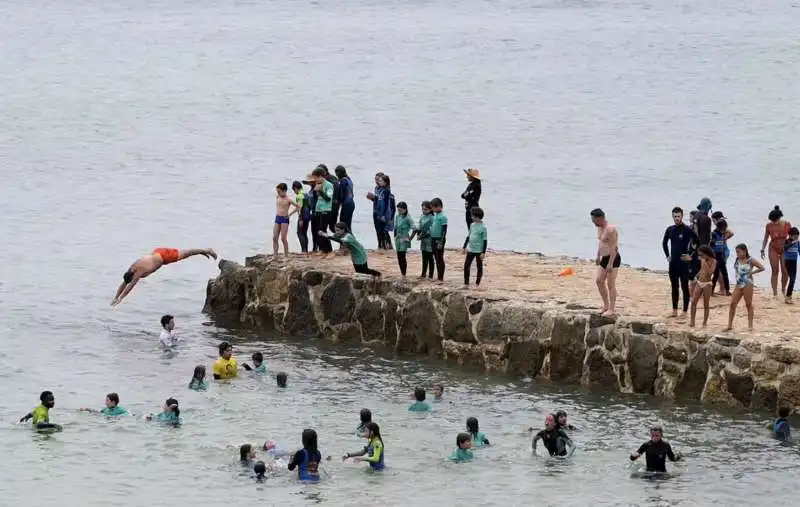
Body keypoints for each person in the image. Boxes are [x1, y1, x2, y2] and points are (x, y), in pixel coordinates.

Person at [111, 248, 217, 306]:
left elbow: (129, 287)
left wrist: (120, 299)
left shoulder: (137, 271)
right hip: (158, 253)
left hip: (163, 256)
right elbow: (124, 284)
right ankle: (203, 251)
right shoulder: (131, 269)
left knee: (186, 254)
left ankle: (206, 250)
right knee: (185, 253)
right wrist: (116, 297)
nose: (133, 280)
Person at [662, 207, 696, 318]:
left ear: (682, 216)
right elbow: (664, 242)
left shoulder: (687, 229)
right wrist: (667, 256)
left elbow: (698, 241)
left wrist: (691, 255)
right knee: (674, 287)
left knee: (684, 287)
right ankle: (674, 310)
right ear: (672, 216)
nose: (676, 218)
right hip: (673, 263)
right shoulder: (670, 229)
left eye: (678, 216)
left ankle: (685, 312)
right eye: (675, 216)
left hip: (683, 263)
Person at [725, 244, 765, 331]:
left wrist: (752, 273)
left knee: (748, 304)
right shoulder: (737, 260)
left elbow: (762, 268)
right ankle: (729, 325)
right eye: (736, 252)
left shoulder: (750, 260)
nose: (737, 254)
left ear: (745, 251)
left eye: (739, 252)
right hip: (738, 284)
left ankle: (750, 325)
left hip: (748, 284)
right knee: (732, 303)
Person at [590, 208, 620, 316]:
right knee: (599, 280)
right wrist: (598, 256)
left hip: (613, 258)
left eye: (594, 220)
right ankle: (605, 305)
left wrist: (610, 263)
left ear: (600, 218)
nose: (593, 222)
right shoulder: (599, 228)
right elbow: (601, 243)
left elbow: (614, 248)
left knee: (610, 284)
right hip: (604, 258)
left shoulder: (610, 230)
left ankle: (611, 308)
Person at [761, 206, 792, 297]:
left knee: (785, 271)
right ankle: (775, 293)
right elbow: (766, 238)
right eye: (772, 221)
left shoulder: (787, 224)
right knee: (775, 271)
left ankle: (783, 289)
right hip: (773, 248)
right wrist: (762, 249)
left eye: (774, 220)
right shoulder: (769, 225)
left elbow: (792, 237)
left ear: (779, 218)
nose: (773, 222)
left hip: (785, 249)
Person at [689, 245, 717, 328]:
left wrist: (705, 262)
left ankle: (704, 322)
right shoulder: (702, 260)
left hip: (707, 284)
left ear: (706, 253)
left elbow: (710, 272)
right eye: (700, 255)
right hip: (699, 282)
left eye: (701, 255)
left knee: (706, 304)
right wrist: (695, 276)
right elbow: (702, 270)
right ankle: (692, 321)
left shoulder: (713, 261)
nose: (700, 256)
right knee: (694, 301)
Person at [273, 183, 301, 259]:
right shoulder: (277, 197)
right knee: (275, 237)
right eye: (277, 191)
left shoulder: (288, 199)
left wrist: (289, 214)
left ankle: (286, 256)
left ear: (284, 190)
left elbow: (298, 207)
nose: (278, 193)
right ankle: (275, 255)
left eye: (279, 191)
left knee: (283, 238)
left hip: (284, 219)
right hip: (277, 218)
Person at [310, 168, 334, 257]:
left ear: (320, 176)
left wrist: (320, 191)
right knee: (317, 230)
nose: (315, 180)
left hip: (326, 210)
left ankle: (329, 250)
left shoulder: (329, 185)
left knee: (322, 230)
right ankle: (323, 249)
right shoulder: (319, 184)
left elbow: (328, 198)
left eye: (316, 178)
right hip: (318, 210)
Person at [462, 206, 487, 288]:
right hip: (471, 249)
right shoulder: (472, 225)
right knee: (466, 265)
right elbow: (468, 236)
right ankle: (466, 283)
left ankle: (477, 283)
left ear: (477, 217)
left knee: (479, 266)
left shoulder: (483, 227)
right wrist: (464, 246)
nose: (471, 217)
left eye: (472, 216)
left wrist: (483, 252)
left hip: (479, 250)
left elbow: (485, 241)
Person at [711, 218, 733, 296]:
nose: (724, 230)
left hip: (721, 255)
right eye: (724, 229)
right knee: (716, 274)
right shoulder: (714, 234)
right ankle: (711, 291)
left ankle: (727, 290)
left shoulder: (722, 234)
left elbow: (731, 234)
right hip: (715, 256)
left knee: (725, 273)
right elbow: (711, 246)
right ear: (720, 228)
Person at [317, 164, 340, 233]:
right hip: (336, 205)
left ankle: (345, 242)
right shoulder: (334, 178)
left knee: (323, 229)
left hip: (330, 206)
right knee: (332, 227)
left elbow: (328, 196)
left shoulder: (327, 181)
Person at [429, 198, 448, 282]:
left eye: (433, 207)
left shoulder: (443, 217)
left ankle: (441, 277)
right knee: (436, 258)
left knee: (439, 258)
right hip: (433, 238)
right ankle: (438, 276)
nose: (432, 209)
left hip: (439, 239)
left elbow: (444, 230)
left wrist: (441, 241)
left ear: (439, 207)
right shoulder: (435, 216)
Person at [394, 202, 414, 277]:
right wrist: (395, 236)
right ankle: (402, 273)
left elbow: (414, 229)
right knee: (399, 257)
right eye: (398, 210)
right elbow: (395, 227)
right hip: (398, 239)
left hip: (404, 238)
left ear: (405, 209)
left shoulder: (408, 218)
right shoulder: (397, 216)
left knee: (402, 256)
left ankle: (404, 274)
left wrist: (410, 238)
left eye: (401, 210)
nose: (399, 212)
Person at [366, 172, 386, 248]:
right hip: (375, 210)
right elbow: (376, 200)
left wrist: (375, 197)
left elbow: (384, 201)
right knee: (377, 229)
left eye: (378, 180)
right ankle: (380, 245)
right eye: (376, 179)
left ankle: (385, 246)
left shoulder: (385, 189)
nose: (377, 181)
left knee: (383, 230)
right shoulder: (376, 188)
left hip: (382, 212)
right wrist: (372, 198)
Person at [417, 201, 435, 279]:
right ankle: (423, 274)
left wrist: (424, 235)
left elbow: (432, 230)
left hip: (429, 239)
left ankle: (431, 275)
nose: (424, 211)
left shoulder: (432, 218)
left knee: (430, 257)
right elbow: (419, 226)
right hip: (423, 239)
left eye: (425, 209)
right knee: (424, 257)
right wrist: (418, 233)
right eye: (423, 209)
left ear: (430, 209)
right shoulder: (422, 216)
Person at [292, 181, 311, 254]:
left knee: (300, 233)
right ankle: (305, 250)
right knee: (304, 233)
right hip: (307, 216)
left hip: (302, 217)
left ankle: (303, 250)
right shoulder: (306, 194)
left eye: (294, 190)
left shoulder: (299, 196)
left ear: (296, 188)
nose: (294, 192)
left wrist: (300, 218)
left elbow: (299, 208)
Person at [334, 165, 355, 231]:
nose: (337, 176)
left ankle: (349, 239)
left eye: (337, 174)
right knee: (348, 224)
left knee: (343, 225)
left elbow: (341, 195)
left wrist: (337, 203)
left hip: (346, 204)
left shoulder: (343, 181)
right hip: (351, 203)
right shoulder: (349, 179)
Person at [784, 227, 799, 304]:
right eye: (795, 236)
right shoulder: (787, 241)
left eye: (797, 236)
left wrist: (796, 242)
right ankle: (787, 297)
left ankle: (789, 296)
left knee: (793, 280)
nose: (796, 238)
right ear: (790, 235)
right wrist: (793, 242)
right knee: (792, 279)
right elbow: (785, 248)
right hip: (787, 262)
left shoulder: (797, 243)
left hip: (794, 262)